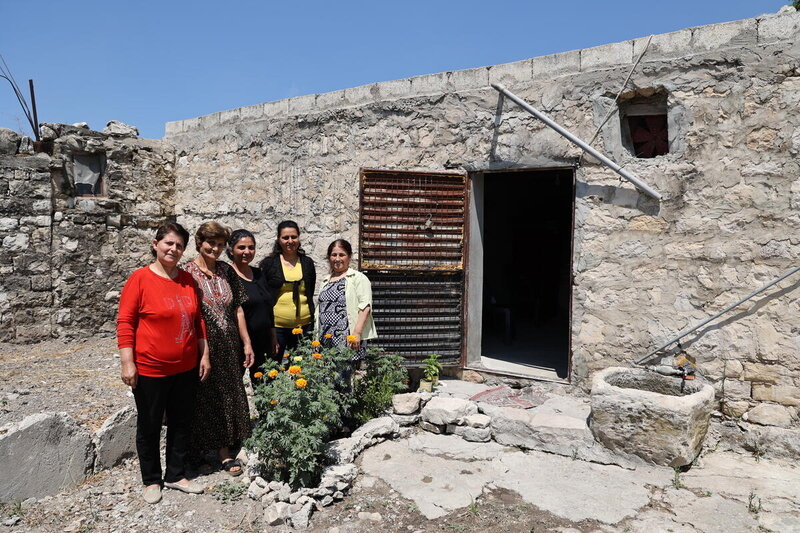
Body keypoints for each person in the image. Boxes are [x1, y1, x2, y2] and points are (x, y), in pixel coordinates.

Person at [117, 222, 210, 504]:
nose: (174, 249)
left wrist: (204, 354)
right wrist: (127, 362)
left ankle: (175, 475)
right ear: (155, 244)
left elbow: (198, 321)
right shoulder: (140, 279)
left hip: (184, 368)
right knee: (150, 424)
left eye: (179, 245)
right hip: (150, 369)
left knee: (182, 423)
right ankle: (151, 479)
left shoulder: (187, 280)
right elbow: (125, 322)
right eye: (168, 243)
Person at [182, 221, 253, 476]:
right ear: (200, 243)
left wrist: (246, 342)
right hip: (201, 345)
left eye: (221, 244)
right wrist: (202, 350)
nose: (216, 248)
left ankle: (224, 452)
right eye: (211, 243)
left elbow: (238, 308)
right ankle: (198, 452)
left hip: (229, 343)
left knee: (228, 395)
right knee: (202, 396)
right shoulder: (186, 273)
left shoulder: (227, 271)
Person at [258, 220, 316, 357]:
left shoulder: (307, 263)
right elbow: (265, 296)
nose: (290, 241)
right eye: (285, 238)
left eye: (294, 237)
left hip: (304, 326)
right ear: (278, 240)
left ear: (299, 238)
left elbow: (310, 291)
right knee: (275, 366)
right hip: (278, 328)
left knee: (302, 368)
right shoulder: (269, 264)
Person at [228, 229, 279, 382]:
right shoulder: (228, 276)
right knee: (234, 386)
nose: (247, 251)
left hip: (263, 341)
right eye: (241, 247)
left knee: (266, 388)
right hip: (240, 344)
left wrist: (273, 335)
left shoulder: (259, 274)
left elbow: (268, 307)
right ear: (231, 250)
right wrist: (246, 343)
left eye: (251, 247)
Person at [316, 239, 377, 366]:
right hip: (325, 339)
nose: (337, 259)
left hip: (347, 338)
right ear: (329, 258)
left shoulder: (358, 278)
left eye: (341, 255)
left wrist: (357, 333)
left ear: (349, 257)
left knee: (344, 377)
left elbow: (365, 307)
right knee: (327, 377)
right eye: (334, 255)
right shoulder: (326, 280)